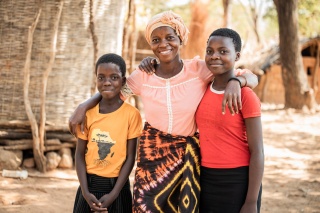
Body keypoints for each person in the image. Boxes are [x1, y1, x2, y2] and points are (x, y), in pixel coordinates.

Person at [69, 11, 258, 213]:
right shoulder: (143, 75)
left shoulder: (198, 70)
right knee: (145, 207)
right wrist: (84, 106)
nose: (163, 44)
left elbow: (249, 76)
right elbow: (114, 94)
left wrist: (237, 82)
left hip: (187, 155)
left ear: (180, 39)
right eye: (156, 40)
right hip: (152, 155)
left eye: (170, 38)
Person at [195, 28, 264, 213]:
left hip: (238, 180)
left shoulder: (246, 95)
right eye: (209, 51)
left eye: (223, 51)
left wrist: (251, 201)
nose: (214, 56)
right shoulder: (202, 88)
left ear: (237, 56)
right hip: (206, 179)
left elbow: (257, 150)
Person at [72, 53, 142, 213]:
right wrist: (85, 192)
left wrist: (114, 194)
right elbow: (79, 154)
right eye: (101, 77)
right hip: (89, 186)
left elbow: (130, 157)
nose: (107, 82)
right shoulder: (88, 114)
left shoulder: (132, 114)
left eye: (114, 77)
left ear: (123, 81)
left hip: (117, 187)